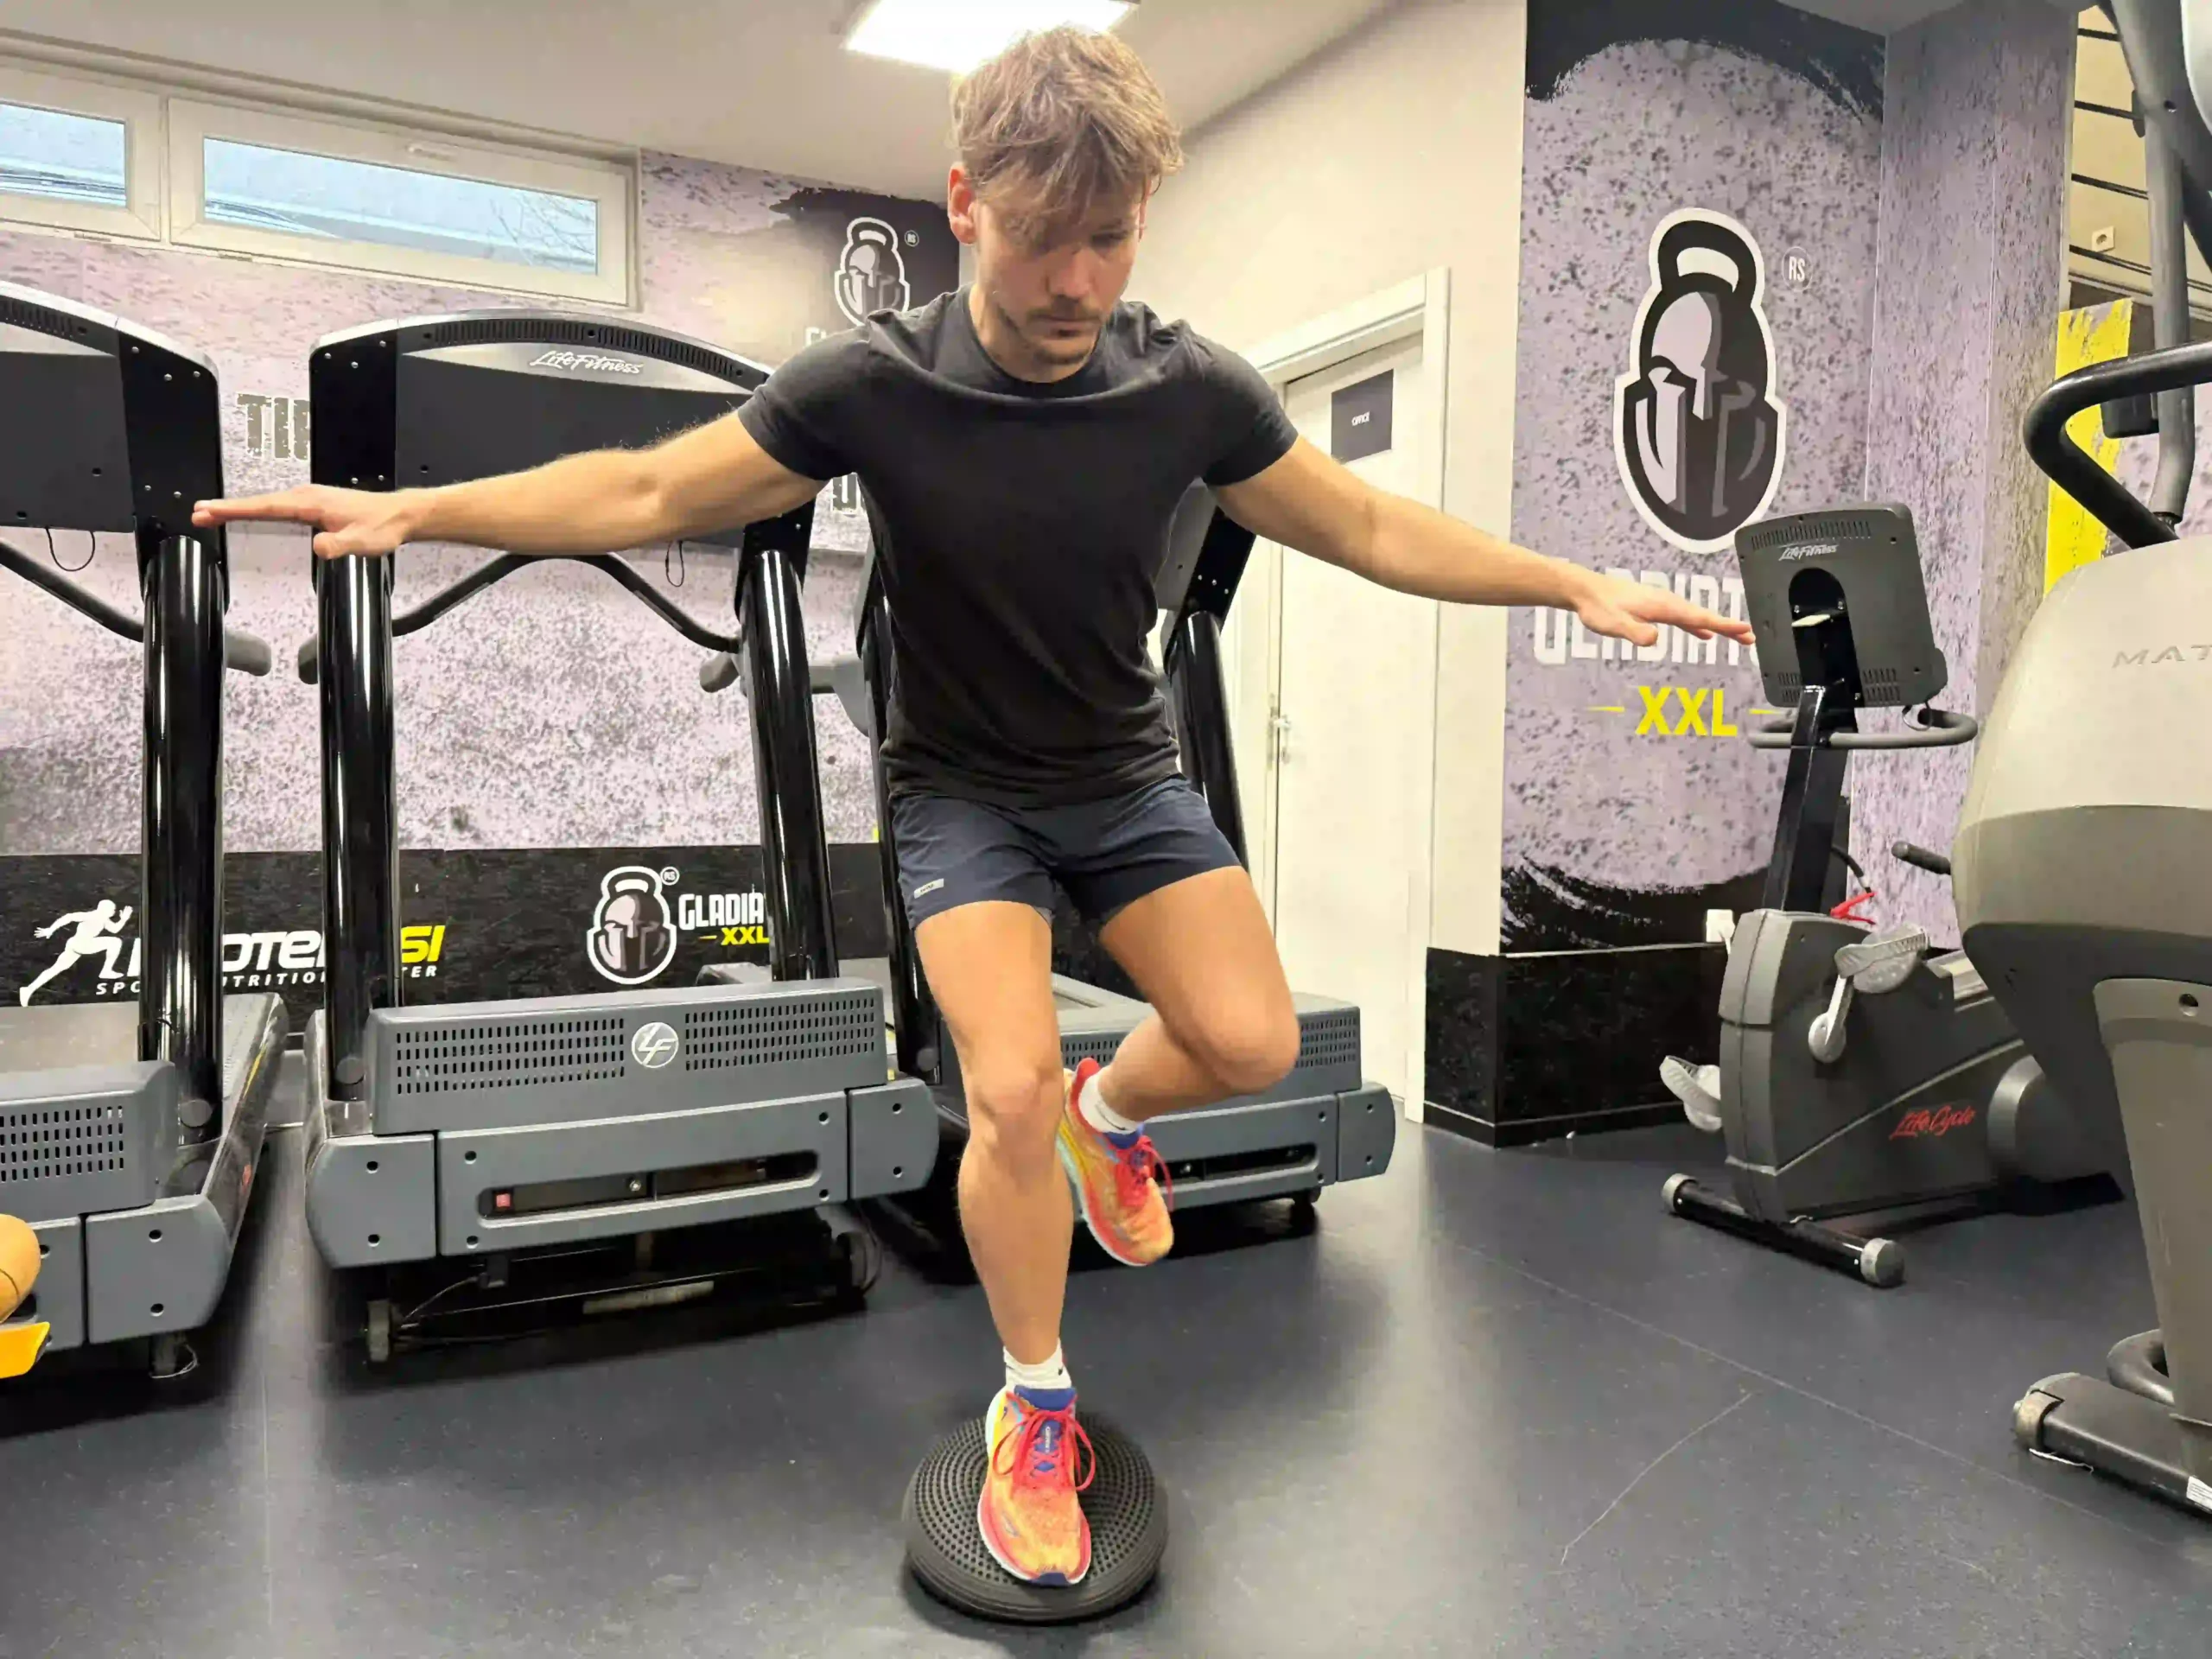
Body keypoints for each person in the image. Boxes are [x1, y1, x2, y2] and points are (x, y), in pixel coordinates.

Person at [195, 26, 1750, 1589]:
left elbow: (1355, 520)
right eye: (1041, 238)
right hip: (960, 796)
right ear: (963, 205)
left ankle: (1112, 1115)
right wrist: (420, 510)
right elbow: (657, 491)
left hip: (1125, 776)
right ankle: (1036, 1401)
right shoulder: (870, 387)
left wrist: (1567, 579)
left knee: (1253, 1044)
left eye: (1111, 238)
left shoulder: (1185, 383)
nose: (1077, 282)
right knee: (1001, 1087)